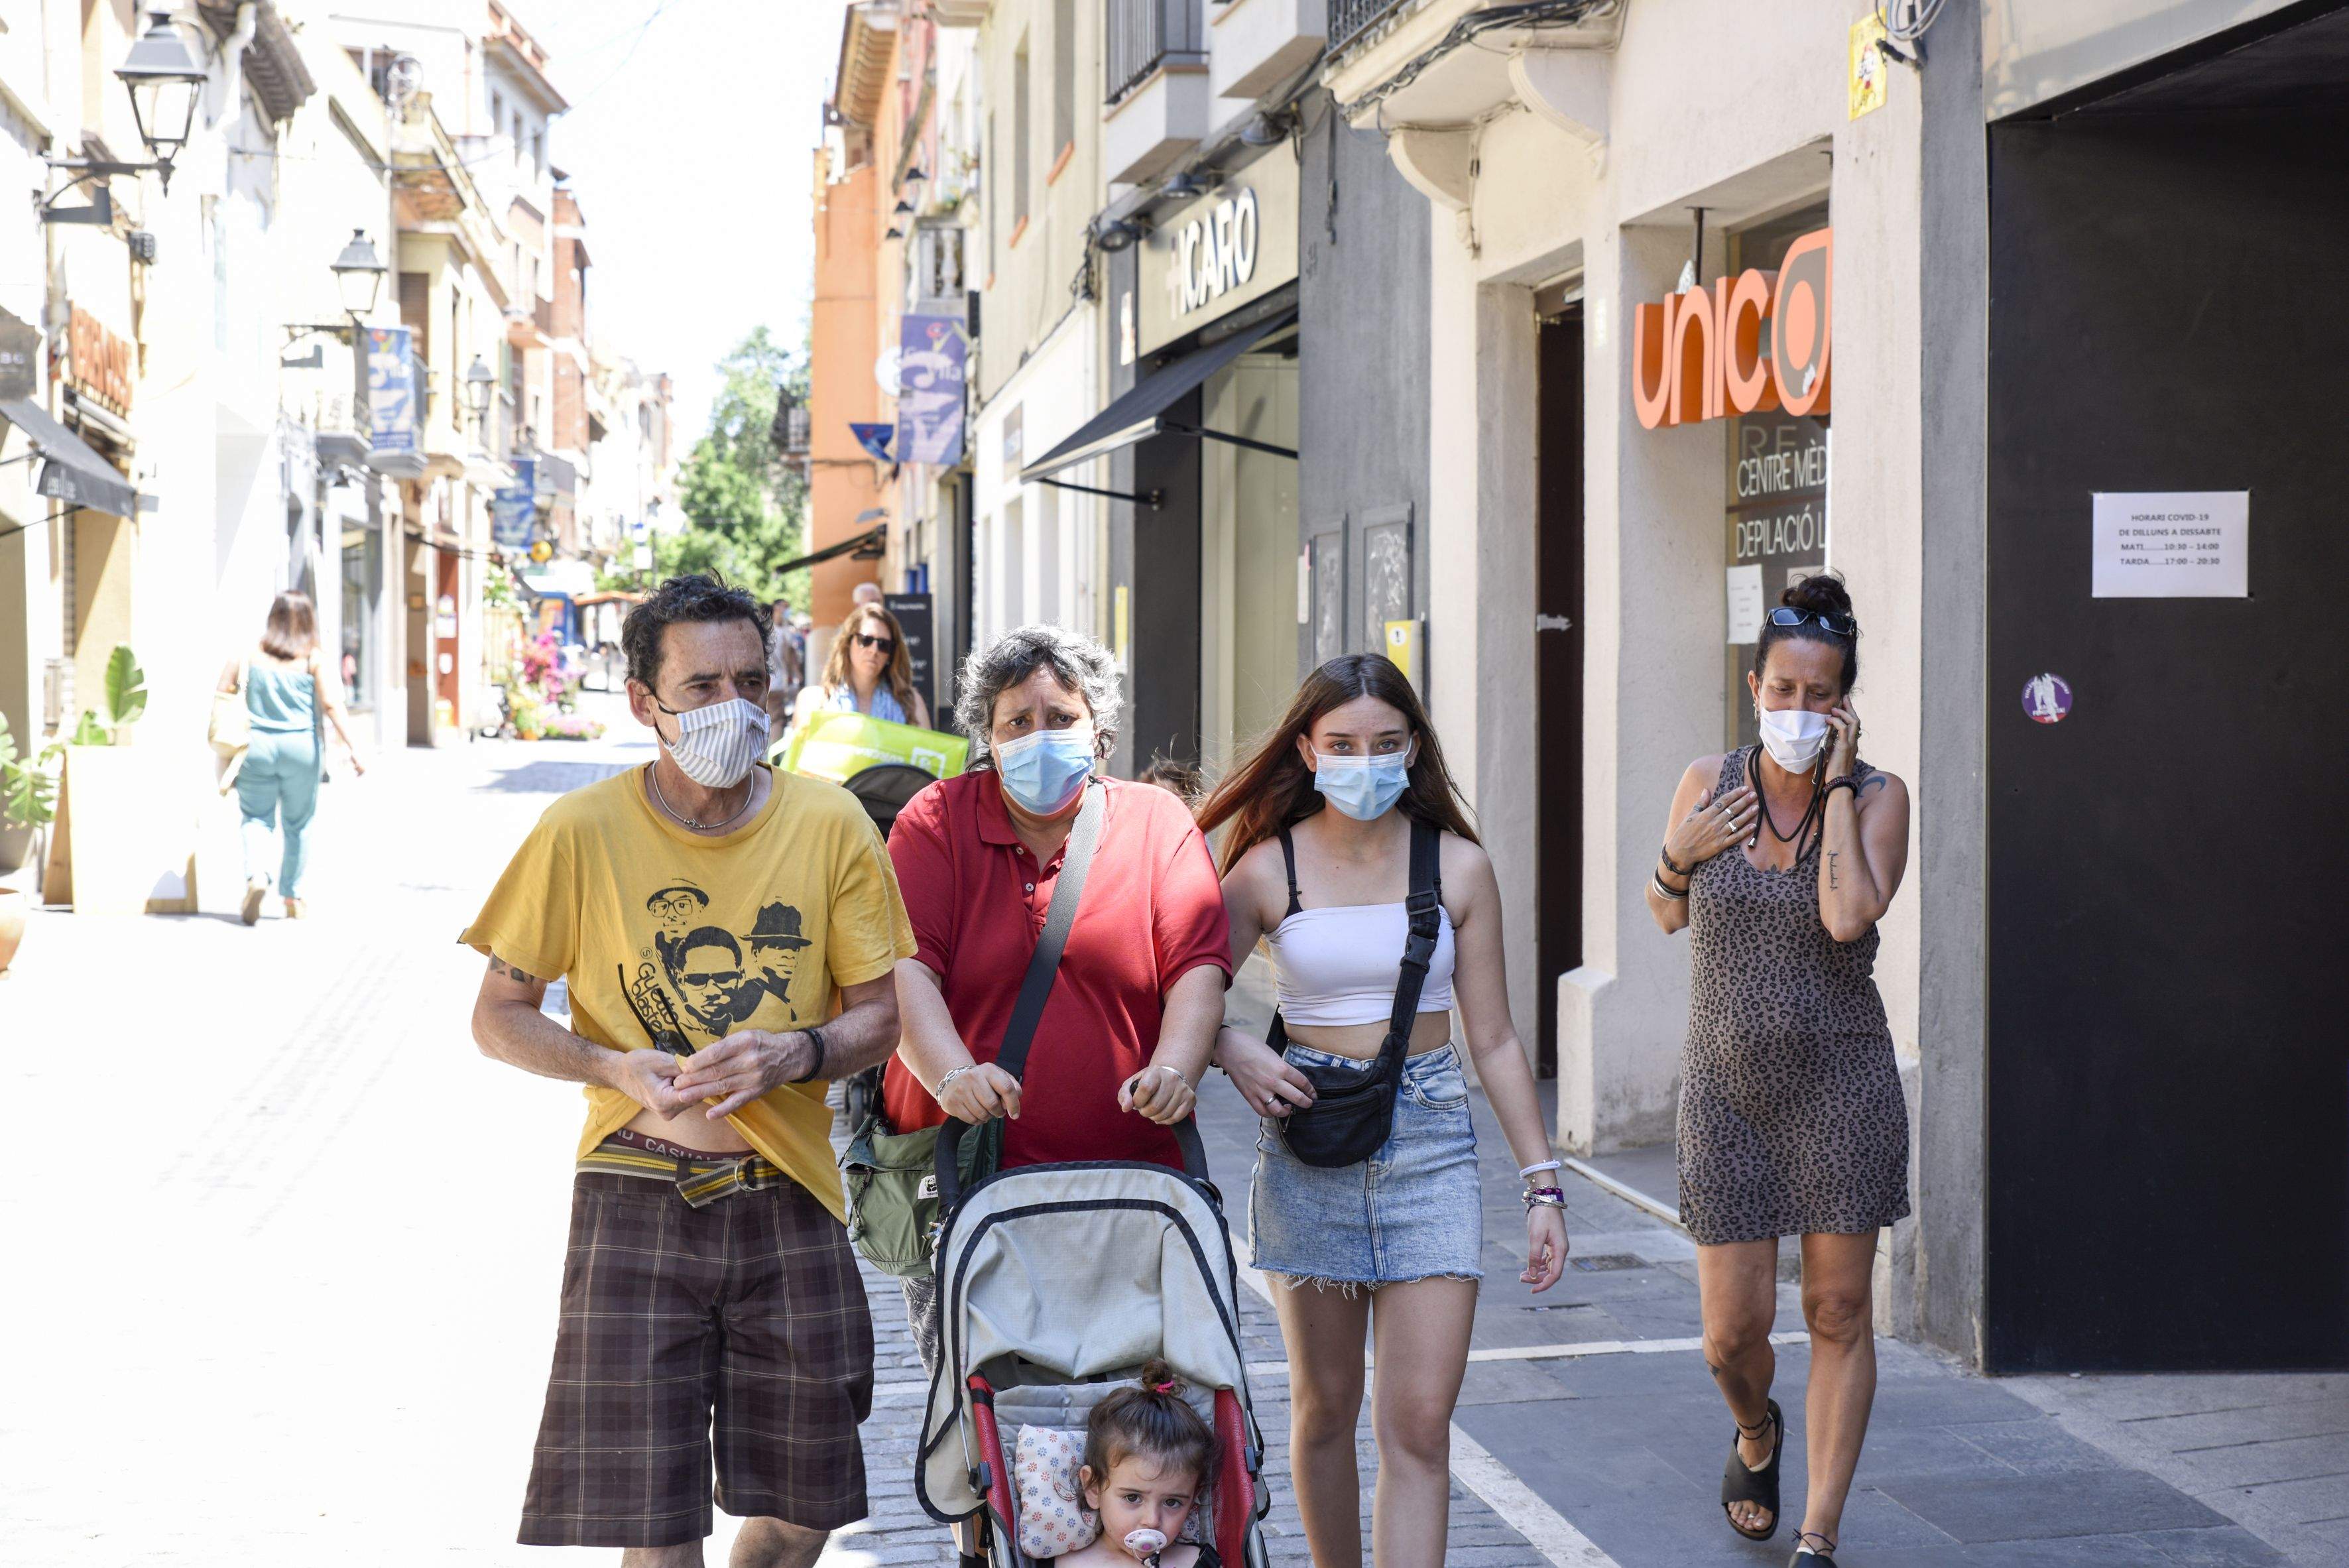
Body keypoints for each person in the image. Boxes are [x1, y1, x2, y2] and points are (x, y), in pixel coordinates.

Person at [462, 573, 917, 1568]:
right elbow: (497, 1015)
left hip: (789, 1187)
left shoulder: (829, 821)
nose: (731, 708)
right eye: (701, 687)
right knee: (652, 1520)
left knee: (810, 1502)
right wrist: (610, 1064)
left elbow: (880, 1015)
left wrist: (796, 1052)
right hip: (633, 1185)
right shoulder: (578, 832)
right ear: (644, 703)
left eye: (749, 682)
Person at [1195, 653, 1569, 1568]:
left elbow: (1495, 1041)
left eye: (1385, 743)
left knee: (1418, 1425)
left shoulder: (1460, 868)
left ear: (1412, 749)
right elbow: (1184, 991)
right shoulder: (1262, 869)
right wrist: (1233, 1045)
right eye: (1343, 744)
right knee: (1324, 1411)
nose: (1364, 761)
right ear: (1307, 750)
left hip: (1432, 1144)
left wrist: (1541, 1185)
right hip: (1308, 1147)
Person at [1644, 573, 1911, 1568]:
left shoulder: (1878, 797)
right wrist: (1673, 855)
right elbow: (1666, 911)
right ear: (1751, 685)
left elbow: (1846, 916)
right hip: (1724, 1091)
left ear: (1843, 704)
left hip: (1839, 1087)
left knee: (1835, 1310)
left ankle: (1818, 1532)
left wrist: (1835, 782)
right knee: (1729, 1336)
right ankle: (1756, 1431)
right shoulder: (1704, 782)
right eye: (1782, 689)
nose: (1796, 709)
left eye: (1819, 694)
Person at [884, 623, 1231, 1378]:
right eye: (1018, 721)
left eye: (1060, 718)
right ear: (987, 734)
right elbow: (905, 971)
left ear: (1100, 731)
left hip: (1130, 1191)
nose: (1039, 736)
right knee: (990, 1435)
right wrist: (952, 1076)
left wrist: (1177, 1067)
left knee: (1133, 1447)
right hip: (973, 1191)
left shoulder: (1157, 823)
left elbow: (1198, 967)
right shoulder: (935, 823)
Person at [214, 590, 364, 925]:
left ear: (273, 618)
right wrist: (354, 747)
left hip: (256, 749)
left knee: (256, 818)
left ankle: (257, 876)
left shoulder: (249, 654)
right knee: (299, 824)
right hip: (301, 751)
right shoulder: (313, 659)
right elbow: (331, 705)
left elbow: (223, 691)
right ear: (309, 621)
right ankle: (292, 896)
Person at [1057, 1360, 1219, 1567]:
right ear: (1094, 1488)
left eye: (1172, 1502)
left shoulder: (1197, 1562)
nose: (1152, 1521)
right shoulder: (1072, 1563)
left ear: (1194, 1497)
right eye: (1132, 1497)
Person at [791, 603, 932, 735]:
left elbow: (927, 757)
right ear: (847, 643)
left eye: (884, 644)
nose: (874, 650)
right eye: (866, 640)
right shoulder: (814, 700)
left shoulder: (911, 703)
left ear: (892, 653)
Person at [764, 597, 803, 729]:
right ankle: (774, 749)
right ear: (777, 608)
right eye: (785, 606)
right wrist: (797, 676)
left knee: (767, 717)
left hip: (765, 683)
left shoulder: (764, 629)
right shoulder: (785, 633)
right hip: (779, 682)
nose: (788, 610)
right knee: (777, 720)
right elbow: (789, 659)